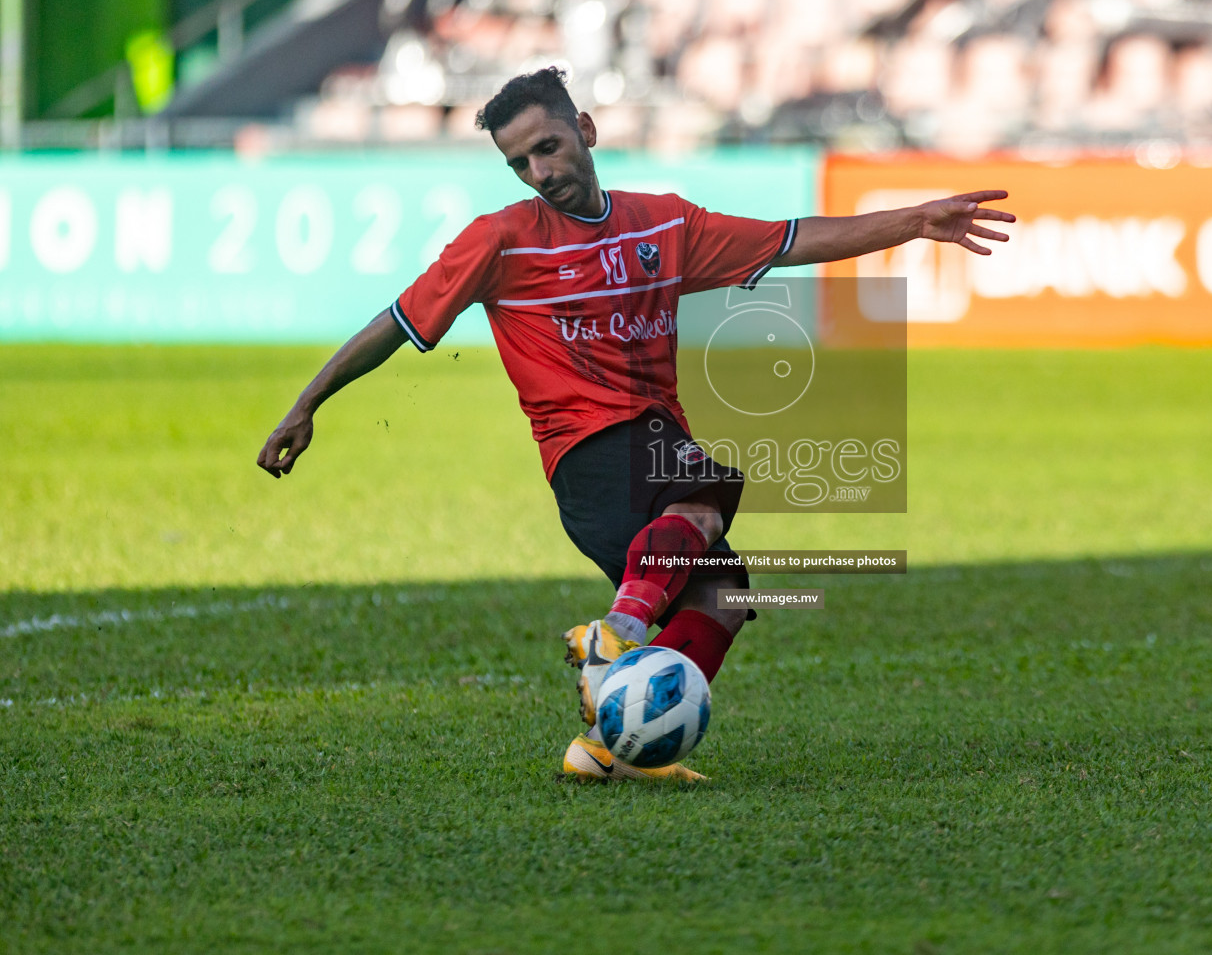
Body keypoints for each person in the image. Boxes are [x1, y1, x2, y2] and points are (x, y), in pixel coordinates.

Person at [257, 67, 1013, 782]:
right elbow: (396, 321)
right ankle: (614, 634)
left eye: (548, 147)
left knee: (727, 592)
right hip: (587, 454)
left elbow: (791, 240)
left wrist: (916, 221)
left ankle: (609, 748)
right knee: (703, 489)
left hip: (648, 445)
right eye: (520, 163)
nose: (540, 172)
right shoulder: (501, 240)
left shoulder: (665, 223)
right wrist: (306, 403)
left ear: (584, 128)